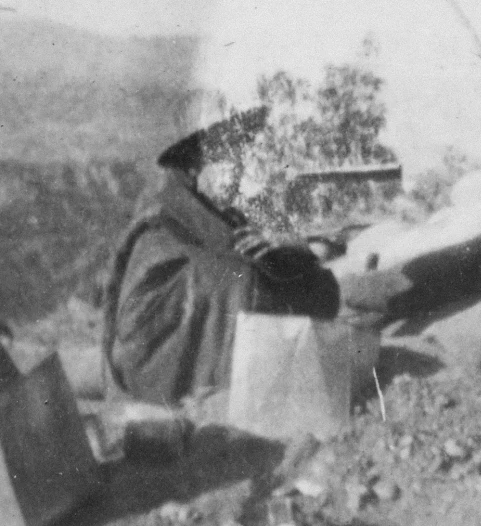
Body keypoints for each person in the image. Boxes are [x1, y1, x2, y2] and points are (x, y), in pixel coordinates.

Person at [102, 109, 342, 405]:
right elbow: (249, 288)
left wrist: (290, 254)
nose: (239, 168)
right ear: (192, 166)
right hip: (153, 385)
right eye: (225, 156)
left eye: (240, 153)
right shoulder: (162, 231)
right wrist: (281, 270)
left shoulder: (223, 217)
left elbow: (323, 296)